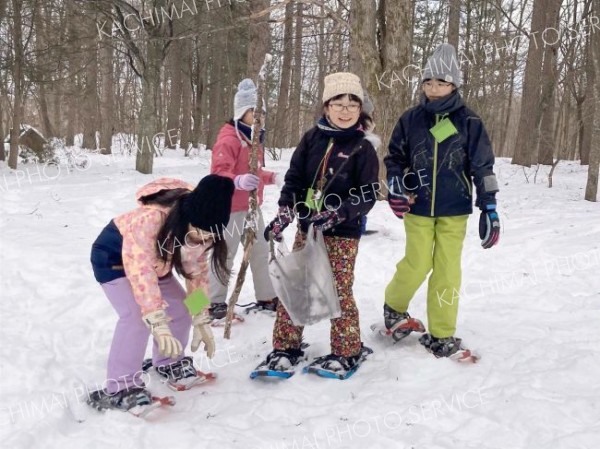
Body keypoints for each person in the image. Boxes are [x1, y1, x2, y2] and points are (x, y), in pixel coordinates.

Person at [258, 72, 380, 376]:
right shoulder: (312, 138)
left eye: (353, 105)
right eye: (338, 103)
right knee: (295, 286)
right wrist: (286, 212)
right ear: (326, 106)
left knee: (337, 290)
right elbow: (295, 179)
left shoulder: (363, 147)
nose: (345, 110)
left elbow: (368, 194)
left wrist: (339, 213)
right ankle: (287, 346)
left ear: (360, 110)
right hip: (307, 227)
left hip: (342, 233)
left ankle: (346, 350)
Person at [383, 43, 500, 357]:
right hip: (417, 206)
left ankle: (442, 334)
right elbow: (394, 158)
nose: (433, 88)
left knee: (448, 271)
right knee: (418, 262)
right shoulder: (410, 120)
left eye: (441, 82)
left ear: (454, 85)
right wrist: (395, 184)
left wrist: (489, 205)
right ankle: (393, 307)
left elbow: (483, 165)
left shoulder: (469, 122)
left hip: (455, 207)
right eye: (428, 81)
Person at [88, 175, 234, 410]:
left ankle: (169, 362)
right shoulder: (152, 219)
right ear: (187, 218)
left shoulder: (204, 231)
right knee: (136, 317)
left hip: (157, 264)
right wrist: (156, 320)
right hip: (115, 259)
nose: (203, 239)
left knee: (181, 308)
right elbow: (140, 271)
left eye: (210, 237)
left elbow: (196, 274)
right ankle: (121, 386)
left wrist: (200, 315)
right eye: (199, 232)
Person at [208, 78, 280, 320]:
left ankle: (266, 295)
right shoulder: (229, 138)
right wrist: (236, 181)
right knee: (224, 254)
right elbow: (219, 173)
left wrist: (272, 177)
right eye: (254, 112)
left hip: (251, 208)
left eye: (262, 112)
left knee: (260, 249)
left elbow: (254, 172)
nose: (260, 117)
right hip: (229, 209)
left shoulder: (255, 138)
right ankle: (213, 301)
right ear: (242, 112)